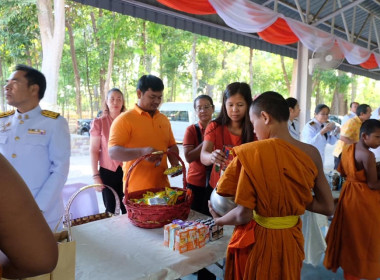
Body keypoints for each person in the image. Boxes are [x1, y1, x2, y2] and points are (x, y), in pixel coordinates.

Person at [208, 91, 334, 279]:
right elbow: (327, 206)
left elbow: (243, 214)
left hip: (260, 241)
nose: (254, 131)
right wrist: (292, 196)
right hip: (291, 239)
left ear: (265, 117)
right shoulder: (311, 153)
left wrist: (219, 221)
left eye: (253, 123)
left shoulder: (252, 153)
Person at [0, 64, 70, 230]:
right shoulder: (2, 122)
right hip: (5, 210)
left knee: (44, 256)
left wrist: (37, 208)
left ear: (33, 89)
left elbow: (60, 170)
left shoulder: (54, 123)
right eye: (7, 82)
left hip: (42, 214)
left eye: (15, 82)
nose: (7, 86)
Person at [324, 119, 380, 280]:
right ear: (364, 136)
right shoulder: (368, 155)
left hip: (348, 195)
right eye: (377, 137)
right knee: (364, 239)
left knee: (349, 235)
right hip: (364, 200)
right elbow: (373, 183)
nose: (379, 141)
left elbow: (342, 171)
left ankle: (348, 271)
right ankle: (358, 270)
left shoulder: (349, 149)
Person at [108, 75, 180, 194]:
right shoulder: (124, 120)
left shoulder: (163, 120)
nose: (157, 101)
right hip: (136, 191)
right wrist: (142, 152)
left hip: (163, 189)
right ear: (139, 94)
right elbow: (113, 152)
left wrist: (175, 163)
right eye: (152, 97)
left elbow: (171, 145)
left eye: (159, 97)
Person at [0, 154, 58, 279]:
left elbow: (60, 169)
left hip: (35, 207)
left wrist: (42, 205)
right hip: (19, 215)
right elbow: (40, 260)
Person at [200, 82, 254, 190]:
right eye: (230, 105)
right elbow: (203, 155)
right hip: (217, 187)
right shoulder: (214, 127)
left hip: (243, 188)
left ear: (248, 104)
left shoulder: (255, 129)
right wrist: (212, 157)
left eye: (240, 105)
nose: (235, 110)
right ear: (224, 105)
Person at [90, 88, 127, 214]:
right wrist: (96, 176)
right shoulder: (99, 123)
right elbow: (94, 150)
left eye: (119, 99)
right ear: (106, 101)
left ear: (123, 102)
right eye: (112, 99)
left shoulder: (128, 122)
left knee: (129, 209)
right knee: (110, 210)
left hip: (127, 171)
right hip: (107, 172)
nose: (115, 102)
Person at [183, 95, 215, 215]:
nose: (203, 111)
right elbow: (188, 157)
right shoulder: (191, 130)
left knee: (212, 217)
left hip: (215, 182)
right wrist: (209, 139)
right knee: (194, 216)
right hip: (195, 182)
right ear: (195, 111)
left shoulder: (221, 128)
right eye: (199, 108)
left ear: (213, 108)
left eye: (206, 107)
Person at [333, 104, 372, 169]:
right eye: (369, 113)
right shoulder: (352, 122)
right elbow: (342, 137)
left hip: (351, 153)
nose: (371, 115)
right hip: (342, 153)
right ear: (362, 114)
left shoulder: (362, 123)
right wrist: (358, 145)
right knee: (340, 176)